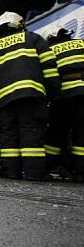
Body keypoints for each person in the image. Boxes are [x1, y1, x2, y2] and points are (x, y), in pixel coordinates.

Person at [0, 12, 60, 181]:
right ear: (19, 25)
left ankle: (12, 173)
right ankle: (34, 174)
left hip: (3, 101)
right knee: (30, 132)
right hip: (31, 95)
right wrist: (52, 93)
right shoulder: (32, 38)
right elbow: (50, 68)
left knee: (9, 136)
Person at [44, 24, 83, 181]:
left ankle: (47, 167)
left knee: (56, 133)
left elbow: (48, 76)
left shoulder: (50, 51)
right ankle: (80, 172)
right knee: (81, 133)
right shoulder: (81, 43)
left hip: (63, 97)